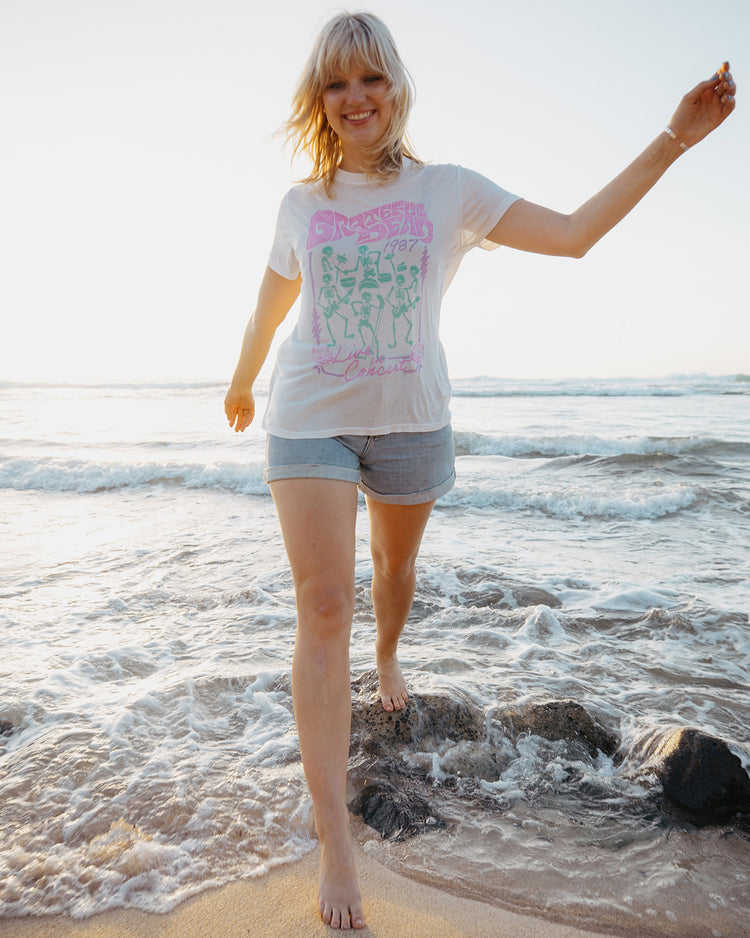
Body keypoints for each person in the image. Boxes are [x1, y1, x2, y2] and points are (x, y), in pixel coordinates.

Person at [224, 12, 735, 930]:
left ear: (396, 89)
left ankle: (388, 654)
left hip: (413, 423)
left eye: (371, 80)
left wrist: (674, 140)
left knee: (395, 576)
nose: (356, 99)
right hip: (307, 420)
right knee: (325, 602)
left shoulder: (447, 190)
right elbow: (269, 309)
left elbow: (576, 233)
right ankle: (336, 834)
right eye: (338, 84)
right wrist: (238, 382)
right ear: (319, 99)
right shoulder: (301, 205)